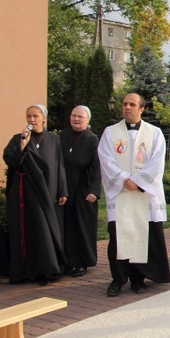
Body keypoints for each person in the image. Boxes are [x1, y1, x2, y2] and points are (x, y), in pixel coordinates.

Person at [98, 93, 170, 296]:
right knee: (119, 236)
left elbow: (157, 162)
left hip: (141, 193)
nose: (127, 107)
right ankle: (118, 279)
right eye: (124, 104)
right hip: (121, 192)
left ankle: (138, 279)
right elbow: (105, 159)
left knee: (141, 233)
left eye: (132, 104)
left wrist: (138, 182)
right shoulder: (110, 133)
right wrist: (124, 179)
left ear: (141, 109)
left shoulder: (154, 133)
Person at [2, 104, 67, 285]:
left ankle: (46, 271)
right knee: (26, 231)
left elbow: (59, 165)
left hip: (48, 192)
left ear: (44, 118)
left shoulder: (54, 139)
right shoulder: (18, 139)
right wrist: (22, 146)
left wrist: (63, 190)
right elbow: (10, 161)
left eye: (35, 116)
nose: (31, 120)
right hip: (24, 194)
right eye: (29, 116)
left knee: (44, 231)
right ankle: (25, 271)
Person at [59, 105, 101, 277]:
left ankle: (83, 262)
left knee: (82, 226)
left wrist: (94, 190)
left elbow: (98, 167)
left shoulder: (92, 140)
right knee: (67, 226)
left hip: (84, 189)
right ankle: (67, 262)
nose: (76, 119)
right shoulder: (61, 136)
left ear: (87, 120)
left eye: (80, 117)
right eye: (73, 115)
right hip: (65, 188)